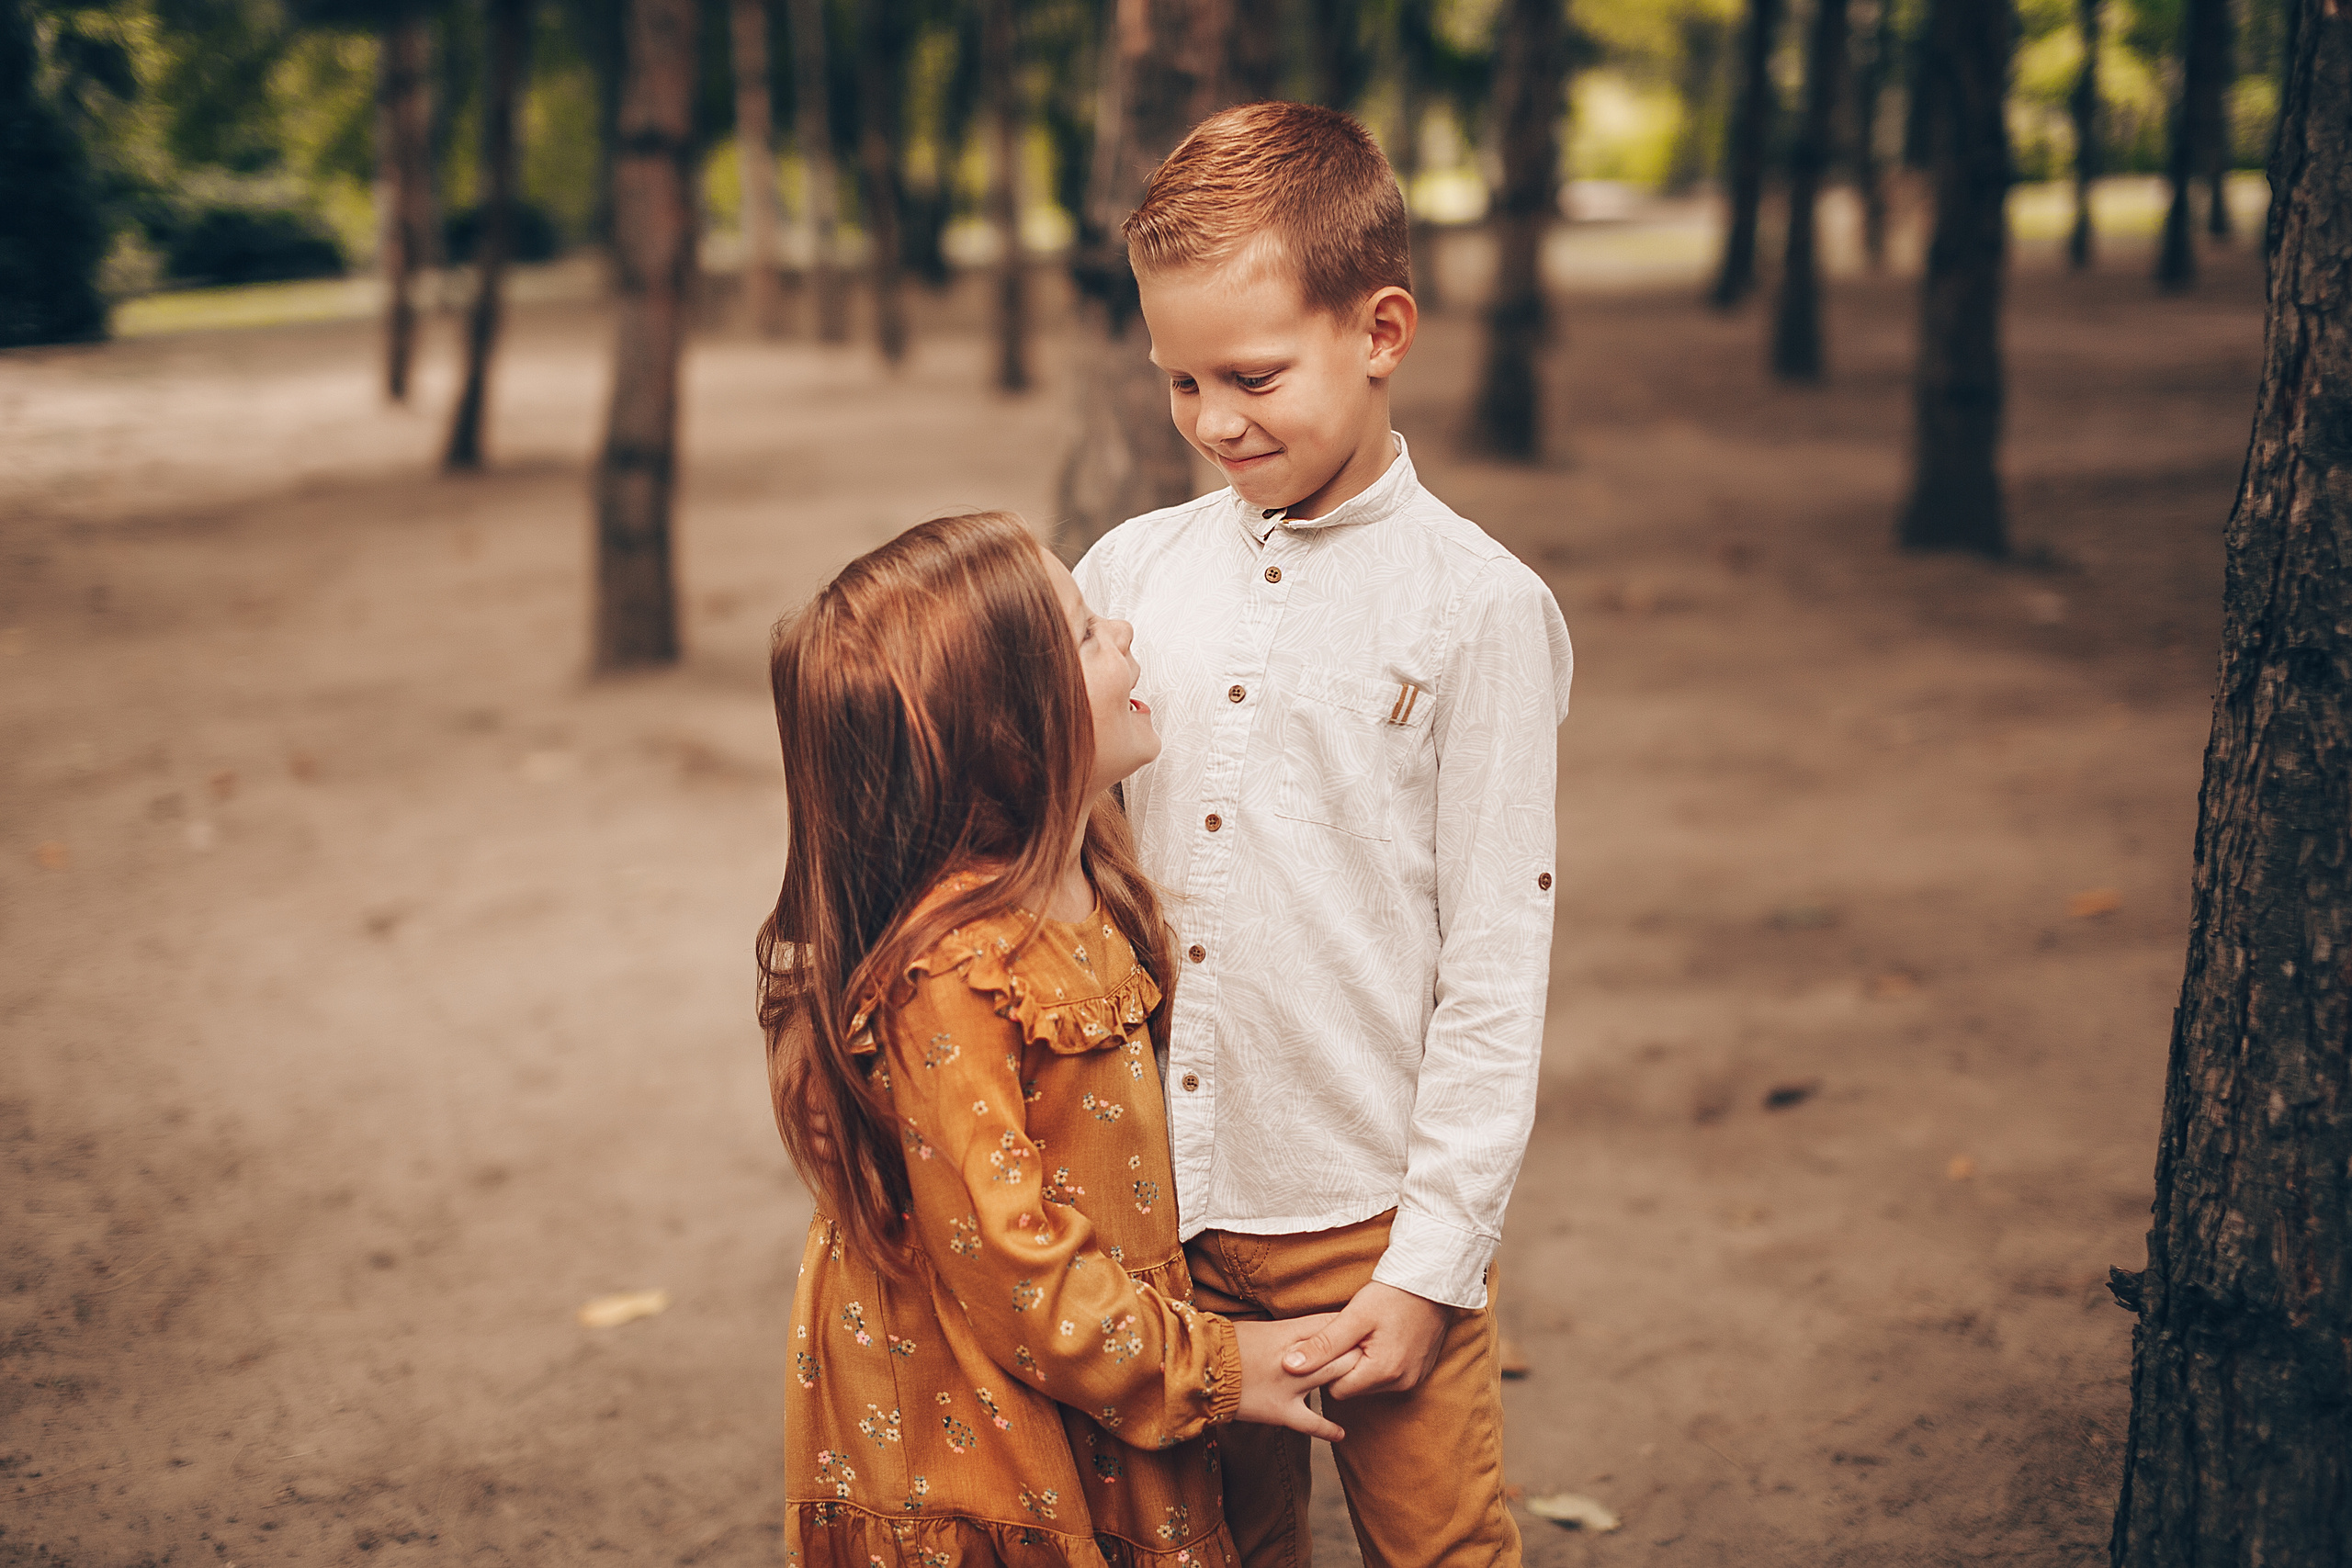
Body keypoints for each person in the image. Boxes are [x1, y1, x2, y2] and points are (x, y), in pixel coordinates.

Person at [1072, 101, 1575, 1567]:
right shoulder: (1131, 573)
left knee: (1442, 1548)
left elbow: (1496, 958)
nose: (1216, 420)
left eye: (1252, 374)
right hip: (1161, 1208)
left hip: (1365, 1219)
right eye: (1179, 381)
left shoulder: (1478, 609)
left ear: (1382, 329)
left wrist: (1432, 1265)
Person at [757, 511, 1363, 1568]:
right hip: (1001, 1424)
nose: (1125, 633)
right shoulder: (949, 975)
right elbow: (1013, 1260)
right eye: (1086, 634)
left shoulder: (1094, 882)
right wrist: (1220, 1365)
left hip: (1104, 1373)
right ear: (1005, 726)